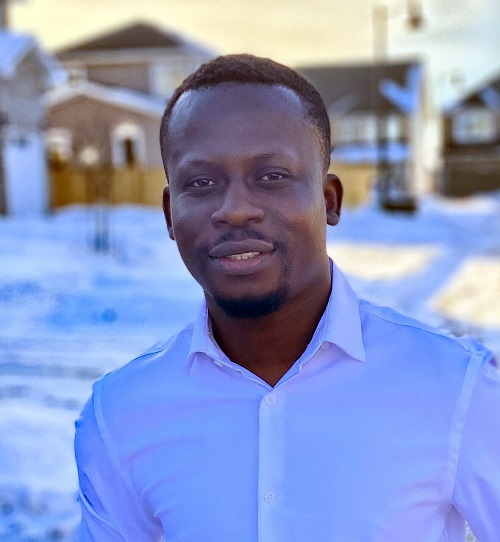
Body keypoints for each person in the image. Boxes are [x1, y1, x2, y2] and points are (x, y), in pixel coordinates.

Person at [74, 54, 500, 541]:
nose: (234, 210)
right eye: (202, 183)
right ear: (171, 214)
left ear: (330, 200)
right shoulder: (121, 413)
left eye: (271, 176)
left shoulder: (456, 389)